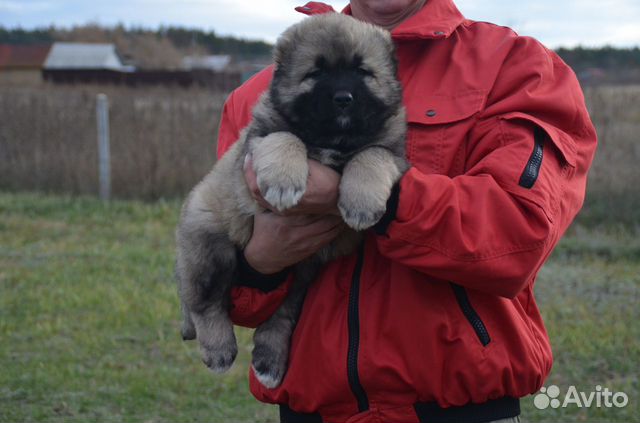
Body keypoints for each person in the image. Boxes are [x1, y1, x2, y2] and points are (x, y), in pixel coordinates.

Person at [216, 1, 597, 422]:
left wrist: (382, 198)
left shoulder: (516, 68)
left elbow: (518, 237)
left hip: (461, 410)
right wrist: (258, 263)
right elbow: (229, 294)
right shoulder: (258, 97)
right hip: (313, 411)